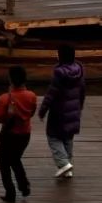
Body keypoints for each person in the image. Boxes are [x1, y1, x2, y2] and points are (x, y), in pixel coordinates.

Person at [38, 45, 85, 179]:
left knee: (53, 137)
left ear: (61, 56)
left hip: (59, 112)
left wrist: (43, 110)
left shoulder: (59, 73)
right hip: (74, 111)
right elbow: (82, 91)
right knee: (68, 138)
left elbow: (51, 94)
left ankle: (63, 163)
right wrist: (79, 107)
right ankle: (67, 168)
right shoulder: (79, 70)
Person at [0, 66, 37, 203]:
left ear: (10, 79)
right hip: (25, 134)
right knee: (15, 159)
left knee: (4, 164)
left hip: (8, 134)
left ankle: (10, 192)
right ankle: (24, 186)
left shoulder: (5, 98)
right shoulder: (32, 96)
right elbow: (32, 113)